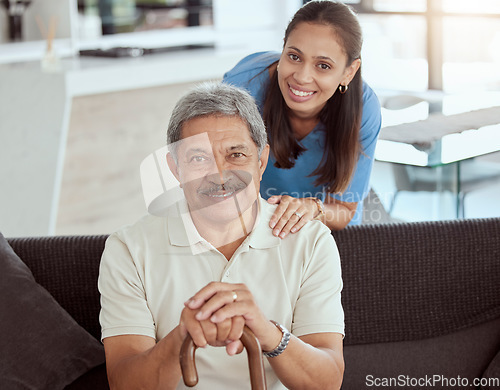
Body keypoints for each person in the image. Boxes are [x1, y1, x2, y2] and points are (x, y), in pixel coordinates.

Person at [98, 82, 344, 390]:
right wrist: (180, 337)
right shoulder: (129, 250)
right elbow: (125, 385)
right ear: (175, 168)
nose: (220, 175)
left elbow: (327, 382)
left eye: (237, 154)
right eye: (198, 158)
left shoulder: (310, 241)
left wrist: (265, 331)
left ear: (262, 161)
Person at [223, 0, 382, 236]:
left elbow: (344, 210)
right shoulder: (242, 89)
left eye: (323, 66)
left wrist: (312, 209)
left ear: (349, 72)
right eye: (295, 57)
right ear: (283, 47)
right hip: (254, 225)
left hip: (325, 229)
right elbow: (220, 184)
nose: (302, 77)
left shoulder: (364, 109)